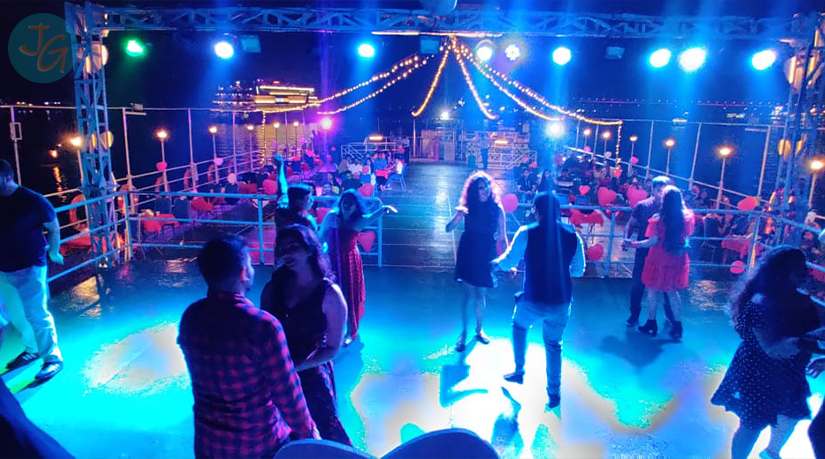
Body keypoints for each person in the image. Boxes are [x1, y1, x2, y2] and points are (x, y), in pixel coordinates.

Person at [177, 236, 319, 458]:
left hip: (209, 445)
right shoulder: (262, 327)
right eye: (250, 264)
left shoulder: (191, 318)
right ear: (243, 273)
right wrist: (309, 434)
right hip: (259, 446)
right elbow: (288, 394)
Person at [711, 247, 821, 459]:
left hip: (789, 369)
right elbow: (772, 349)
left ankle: (771, 452)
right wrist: (808, 344)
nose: (805, 272)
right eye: (799, 268)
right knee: (753, 423)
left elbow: (810, 333)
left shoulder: (802, 301)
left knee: (790, 415)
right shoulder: (761, 302)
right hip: (758, 372)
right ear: (783, 272)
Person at [493, 193, 585, 410]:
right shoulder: (573, 236)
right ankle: (554, 392)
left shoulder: (527, 233)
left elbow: (509, 260)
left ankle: (519, 369)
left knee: (519, 325)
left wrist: (494, 264)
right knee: (554, 345)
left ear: (537, 210)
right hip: (560, 301)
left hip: (533, 298)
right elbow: (578, 270)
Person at [261, 225, 351, 445]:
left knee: (323, 432)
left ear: (310, 250)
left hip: (311, 370)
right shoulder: (273, 288)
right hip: (274, 371)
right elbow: (262, 333)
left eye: (293, 247)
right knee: (277, 434)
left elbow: (332, 349)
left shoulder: (330, 294)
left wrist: (296, 368)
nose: (286, 254)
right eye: (282, 249)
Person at [0, 159, 64, 380]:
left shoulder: (33, 200)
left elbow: (53, 228)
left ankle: (53, 358)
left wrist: (54, 252)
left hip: (30, 267)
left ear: (7, 177)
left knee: (37, 314)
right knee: (16, 314)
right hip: (3, 268)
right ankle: (32, 349)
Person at [319, 190, 397, 346]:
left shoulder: (358, 220)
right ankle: (326, 330)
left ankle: (350, 331)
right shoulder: (331, 217)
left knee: (350, 296)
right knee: (328, 295)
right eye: (345, 203)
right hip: (331, 261)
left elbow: (372, 217)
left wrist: (384, 208)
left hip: (350, 262)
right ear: (341, 203)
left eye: (351, 204)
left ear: (356, 206)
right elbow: (320, 237)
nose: (347, 206)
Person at [446, 171, 508, 352]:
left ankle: (479, 329)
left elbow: (502, 237)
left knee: (481, 295)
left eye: (487, 186)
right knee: (467, 294)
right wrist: (457, 216)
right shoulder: (467, 207)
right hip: (468, 252)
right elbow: (448, 228)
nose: (485, 190)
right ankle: (464, 333)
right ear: (474, 191)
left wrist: (509, 259)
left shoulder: (497, 209)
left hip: (486, 253)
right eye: (481, 187)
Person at [624, 185, 694, 339]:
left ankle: (651, 322)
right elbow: (688, 234)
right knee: (672, 291)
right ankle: (677, 326)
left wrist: (632, 244)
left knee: (652, 290)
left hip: (658, 258)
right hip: (677, 259)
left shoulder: (659, 219)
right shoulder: (687, 218)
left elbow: (652, 241)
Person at [623, 176, 675, 329]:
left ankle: (670, 315)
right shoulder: (642, 206)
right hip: (644, 250)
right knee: (638, 284)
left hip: (664, 253)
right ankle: (634, 314)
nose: (661, 193)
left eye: (664, 190)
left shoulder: (672, 208)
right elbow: (630, 224)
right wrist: (626, 239)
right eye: (659, 190)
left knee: (666, 286)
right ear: (652, 190)